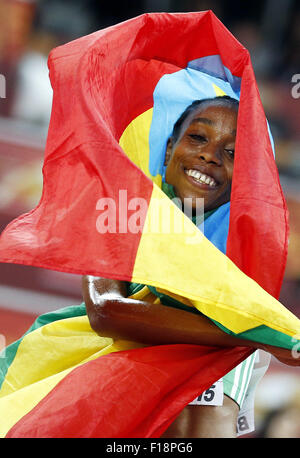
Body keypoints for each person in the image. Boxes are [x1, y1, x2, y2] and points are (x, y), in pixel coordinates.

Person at [83, 96, 298, 438]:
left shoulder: (241, 254)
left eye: (232, 153)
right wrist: (256, 333)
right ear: (169, 149)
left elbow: (207, 427)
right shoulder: (126, 210)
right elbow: (106, 311)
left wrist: (258, 334)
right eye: (198, 137)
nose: (209, 155)